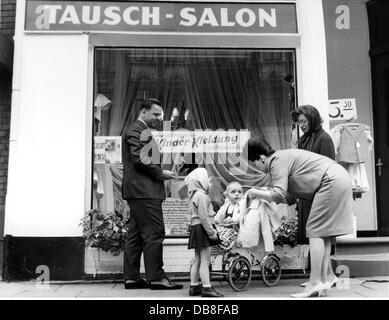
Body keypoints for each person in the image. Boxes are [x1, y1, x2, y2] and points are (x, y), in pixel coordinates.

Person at [246, 137, 353, 298]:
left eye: (254, 164)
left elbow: (278, 194)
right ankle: (326, 279)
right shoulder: (283, 158)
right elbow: (289, 198)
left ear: (261, 158)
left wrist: (253, 193)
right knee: (323, 233)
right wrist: (264, 195)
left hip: (330, 180)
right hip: (338, 177)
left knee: (315, 231)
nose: (256, 168)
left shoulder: (276, 161)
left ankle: (315, 282)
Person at [122, 98, 183, 290]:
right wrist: (161, 173)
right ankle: (156, 277)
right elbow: (139, 158)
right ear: (143, 112)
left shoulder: (141, 130)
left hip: (140, 192)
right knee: (154, 233)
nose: (158, 118)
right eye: (155, 114)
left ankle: (131, 278)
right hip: (144, 192)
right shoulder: (136, 130)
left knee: (136, 235)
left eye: (160, 115)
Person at [291, 105, 338, 287]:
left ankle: (324, 277)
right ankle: (326, 276)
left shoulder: (324, 139)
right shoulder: (304, 140)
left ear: (312, 119)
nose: (301, 125)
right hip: (308, 194)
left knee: (321, 235)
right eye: (298, 122)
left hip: (321, 194)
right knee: (317, 236)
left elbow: (327, 169)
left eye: (303, 121)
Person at [185, 168, 224, 298]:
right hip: (203, 229)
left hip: (196, 229)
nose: (210, 183)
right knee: (205, 261)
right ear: (201, 181)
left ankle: (194, 286)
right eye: (209, 180)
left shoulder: (193, 196)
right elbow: (204, 217)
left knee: (197, 259)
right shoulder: (202, 196)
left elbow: (193, 216)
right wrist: (212, 232)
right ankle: (207, 288)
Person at [214, 182, 243, 251]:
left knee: (226, 234)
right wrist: (217, 219)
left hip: (237, 231)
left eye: (239, 192)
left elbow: (242, 215)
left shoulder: (241, 205)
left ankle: (222, 243)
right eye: (233, 192)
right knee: (216, 231)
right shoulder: (226, 205)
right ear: (227, 195)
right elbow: (219, 214)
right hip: (227, 229)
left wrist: (233, 219)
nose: (237, 194)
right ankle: (218, 242)